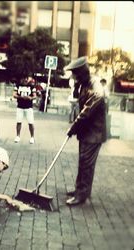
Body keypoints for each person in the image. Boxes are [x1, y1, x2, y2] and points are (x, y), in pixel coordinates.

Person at [65, 57, 107, 206]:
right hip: (87, 132)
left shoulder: (96, 90)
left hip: (94, 134)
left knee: (86, 164)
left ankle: (82, 195)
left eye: (75, 75)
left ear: (81, 74)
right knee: (83, 161)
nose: (73, 77)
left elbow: (86, 112)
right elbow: (80, 103)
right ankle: (80, 189)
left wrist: (73, 128)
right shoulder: (84, 83)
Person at [13, 76, 36, 144]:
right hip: (20, 107)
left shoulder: (31, 86)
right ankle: (18, 136)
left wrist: (30, 98)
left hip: (28, 107)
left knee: (30, 122)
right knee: (18, 121)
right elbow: (14, 95)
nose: (25, 80)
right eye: (24, 79)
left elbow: (34, 96)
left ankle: (32, 137)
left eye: (27, 79)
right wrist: (21, 97)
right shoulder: (17, 86)